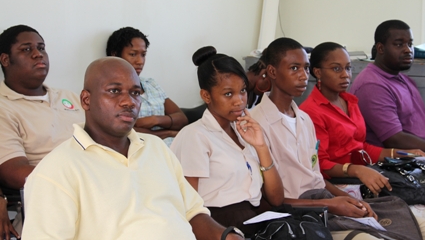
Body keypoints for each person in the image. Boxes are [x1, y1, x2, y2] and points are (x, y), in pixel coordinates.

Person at [21, 57, 245, 240]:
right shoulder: (55, 171)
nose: (129, 101)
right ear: (86, 100)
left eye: (136, 93)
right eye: (114, 91)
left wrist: (226, 236)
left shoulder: (157, 149)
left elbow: (193, 212)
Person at [251, 37, 425, 240]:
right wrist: (333, 202)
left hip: (324, 199)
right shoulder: (256, 125)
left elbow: (315, 176)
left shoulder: (303, 119)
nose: (303, 76)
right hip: (300, 213)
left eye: (305, 68)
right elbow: (268, 200)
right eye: (294, 68)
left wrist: (348, 200)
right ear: (273, 72)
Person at [301, 41, 425, 223]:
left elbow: (361, 148)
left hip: (365, 171)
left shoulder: (349, 101)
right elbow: (319, 165)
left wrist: (400, 154)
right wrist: (357, 170)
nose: (346, 75)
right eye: (336, 69)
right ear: (317, 72)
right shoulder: (311, 112)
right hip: (342, 181)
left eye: (348, 68)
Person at [171, 46, 283, 236]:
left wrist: (261, 146)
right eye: (228, 94)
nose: (240, 101)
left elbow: (276, 198)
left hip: (258, 218)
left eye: (243, 91)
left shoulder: (244, 131)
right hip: (221, 226)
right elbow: (188, 208)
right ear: (206, 96)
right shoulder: (195, 136)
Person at [350, 20, 425, 200]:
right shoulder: (373, 84)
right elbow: (395, 139)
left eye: (410, 44)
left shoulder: (402, 79)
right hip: (403, 163)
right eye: (399, 44)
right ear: (380, 48)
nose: (407, 50)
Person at [0, 25, 84, 190]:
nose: (38, 54)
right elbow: (14, 172)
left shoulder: (69, 96)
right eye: (26, 49)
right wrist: (78, 181)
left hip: (103, 179)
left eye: (41, 48)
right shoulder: (4, 107)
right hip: (59, 192)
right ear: (5, 60)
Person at [106, 27, 188, 146]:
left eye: (143, 54)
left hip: (176, 146)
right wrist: (169, 132)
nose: (140, 61)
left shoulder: (151, 84)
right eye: (133, 54)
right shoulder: (111, 91)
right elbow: (127, 131)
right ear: (115, 55)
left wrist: (155, 120)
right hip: (145, 151)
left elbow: (182, 119)